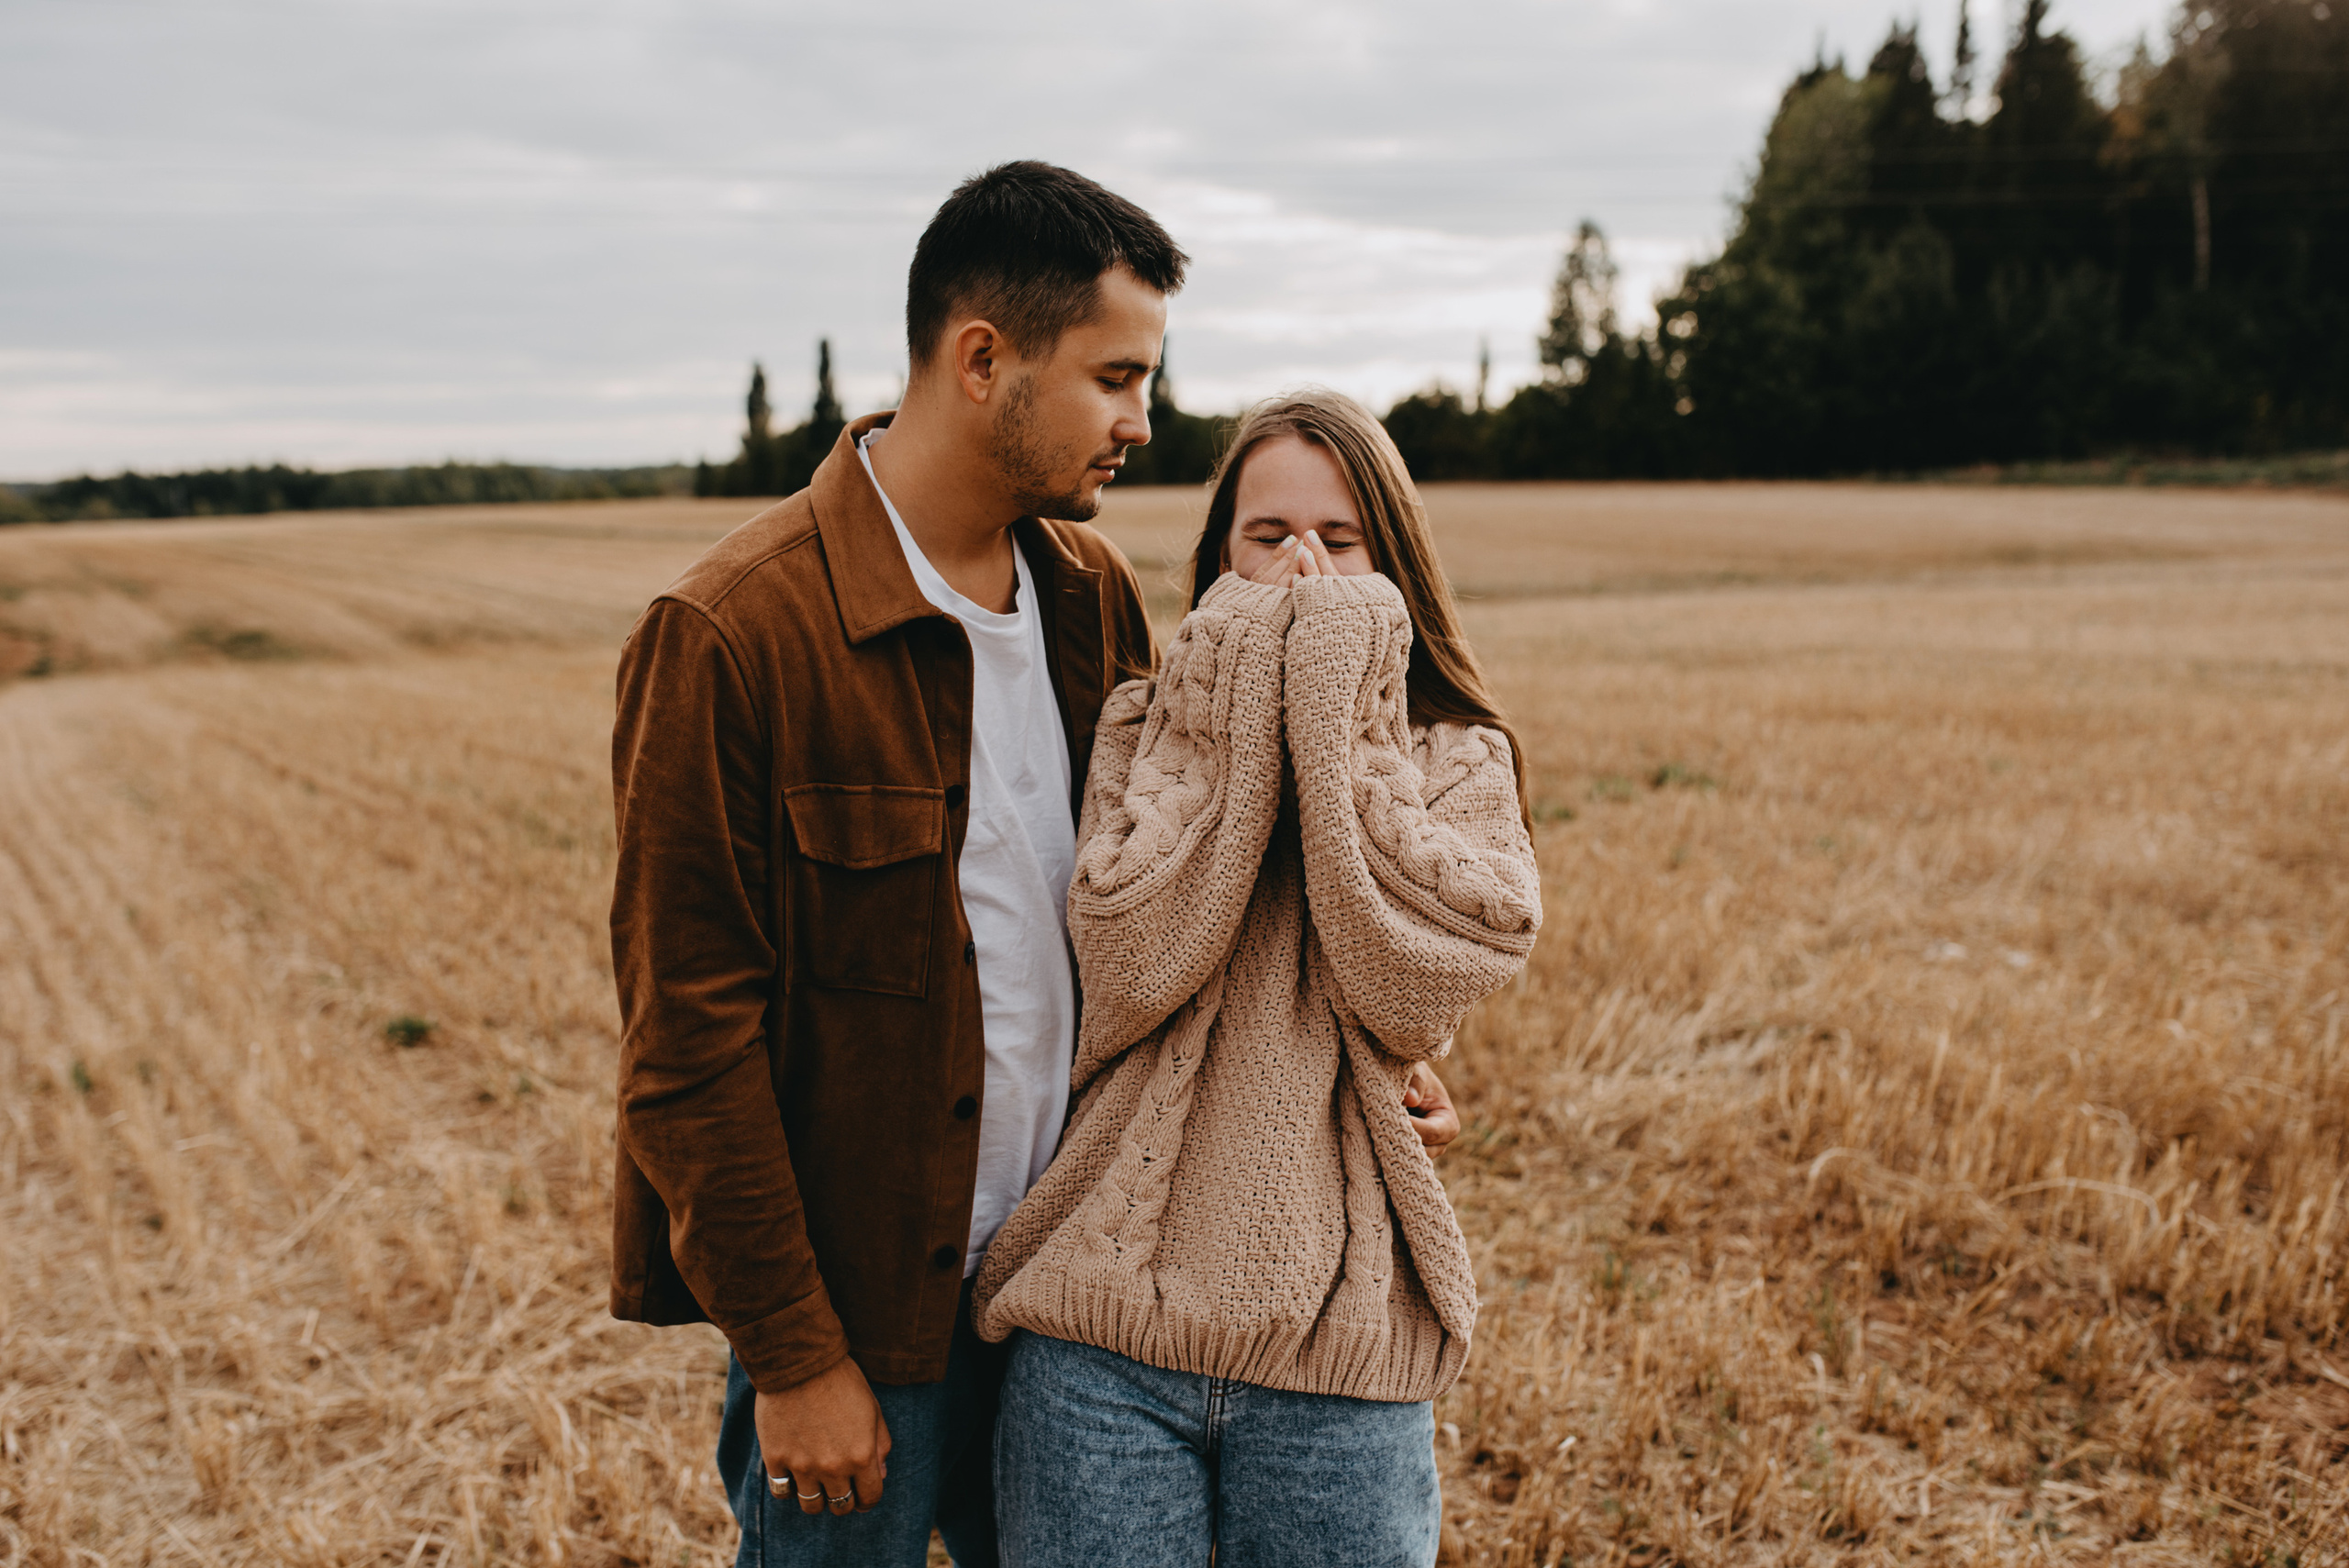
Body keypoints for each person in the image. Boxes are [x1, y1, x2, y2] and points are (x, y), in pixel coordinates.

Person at [609, 161, 1468, 1566]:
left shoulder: (1089, 599)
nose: (1144, 421)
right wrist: (794, 1358)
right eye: (1118, 377)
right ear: (983, 359)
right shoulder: (731, 635)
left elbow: (1171, 901)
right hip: (867, 1327)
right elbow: (687, 1048)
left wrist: (1357, 1057)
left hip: (1077, 1294)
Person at [974, 390, 1542, 1568]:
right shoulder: (1142, 728)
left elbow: (1408, 984)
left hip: (1340, 1351)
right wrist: (1233, 717)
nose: (1300, 570)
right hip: (1103, 1341)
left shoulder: (1458, 757)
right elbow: (1132, 963)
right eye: (1265, 537)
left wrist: (1337, 719)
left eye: (1339, 542)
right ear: (1216, 559)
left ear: (1393, 562)